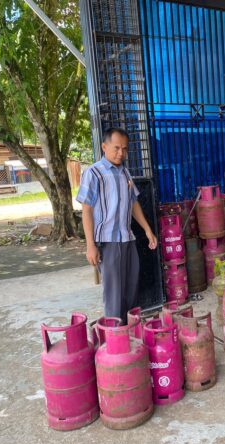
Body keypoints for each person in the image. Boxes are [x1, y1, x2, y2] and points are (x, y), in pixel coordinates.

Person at [77, 128, 158, 323]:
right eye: (116, 148)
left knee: (131, 291)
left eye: (124, 149)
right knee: (114, 296)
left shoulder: (125, 173)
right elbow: (86, 210)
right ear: (104, 147)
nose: (120, 153)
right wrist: (90, 246)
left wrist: (148, 231)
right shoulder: (93, 173)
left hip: (127, 239)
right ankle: (115, 341)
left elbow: (133, 204)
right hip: (107, 242)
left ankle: (130, 334)